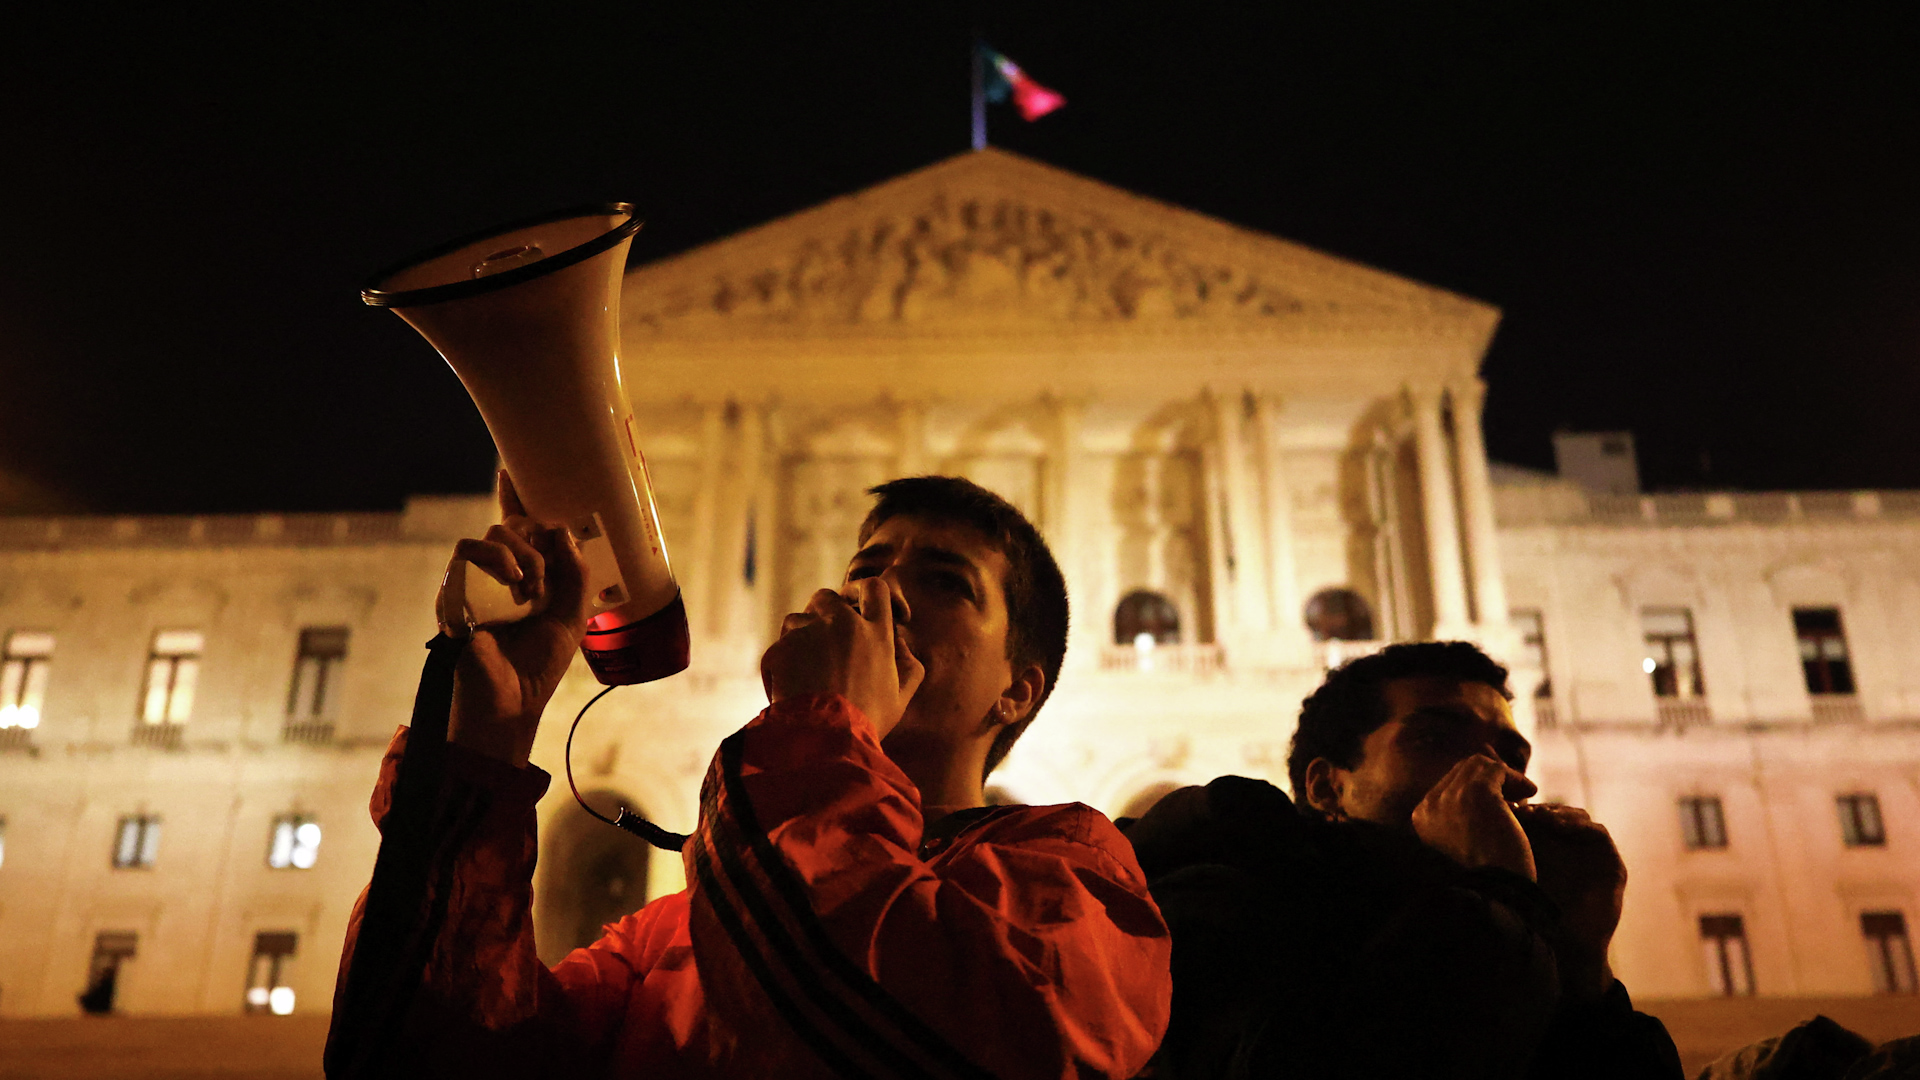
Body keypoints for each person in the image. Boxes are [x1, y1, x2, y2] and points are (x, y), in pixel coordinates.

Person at [327, 473, 1171, 1080]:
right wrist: (485, 743)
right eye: (866, 570)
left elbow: (890, 1020)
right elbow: (418, 1055)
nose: (883, 596)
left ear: (1017, 689)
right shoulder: (669, 932)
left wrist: (822, 722)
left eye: (946, 582)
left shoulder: (1077, 873)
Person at [1124, 641, 1682, 1080]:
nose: (1495, 773)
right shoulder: (1225, 890)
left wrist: (1584, 965)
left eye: (1513, 755)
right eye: (1436, 739)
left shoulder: (1528, 943)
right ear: (1328, 787)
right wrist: (1502, 892)